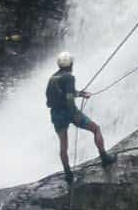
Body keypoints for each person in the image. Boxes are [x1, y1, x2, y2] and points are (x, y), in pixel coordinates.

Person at [46, 51, 116, 184]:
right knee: (96, 129)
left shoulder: (52, 78)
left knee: (63, 145)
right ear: (71, 64)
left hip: (56, 113)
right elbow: (69, 97)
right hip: (69, 111)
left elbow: (61, 95)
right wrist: (75, 115)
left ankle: (68, 174)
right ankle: (104, 158)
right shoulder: (69, 77)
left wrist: (82, 94)